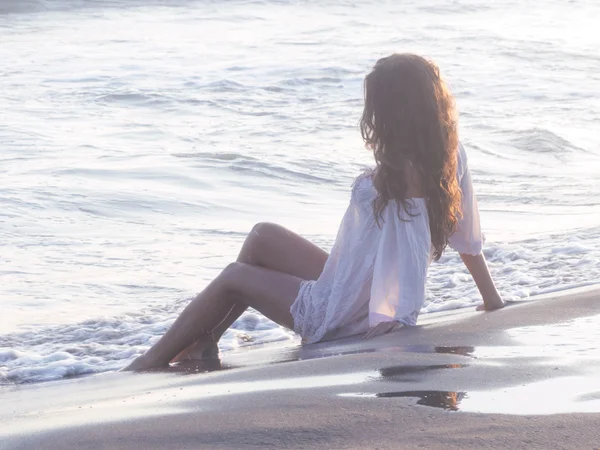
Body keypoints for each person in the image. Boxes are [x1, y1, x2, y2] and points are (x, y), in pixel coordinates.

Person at [124, 53, 505, 371]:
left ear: (394, 111)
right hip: (353, 284)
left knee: (233, 278)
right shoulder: (449, 156)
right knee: (262, 236)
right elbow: (467, 237)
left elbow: (405, 250)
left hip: (343, 316)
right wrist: (492, 300)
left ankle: (149, 361)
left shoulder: (402, 173)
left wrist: (395, 320)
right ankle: (203, 342)